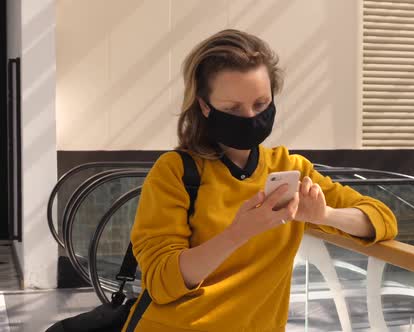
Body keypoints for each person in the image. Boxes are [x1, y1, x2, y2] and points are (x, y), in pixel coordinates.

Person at [122, 29, 398, 332]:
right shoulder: (175, 172)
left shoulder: (290, 167)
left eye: (261, 103)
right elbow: (162, 282)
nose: (250, 117)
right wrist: (239, 233)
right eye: (231, 109)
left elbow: (382, 219)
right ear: (203, 105)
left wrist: (325, 215)